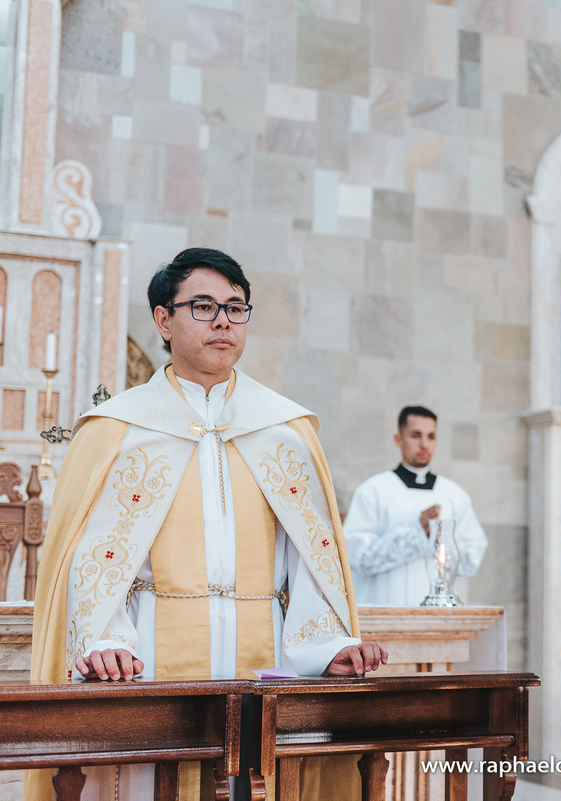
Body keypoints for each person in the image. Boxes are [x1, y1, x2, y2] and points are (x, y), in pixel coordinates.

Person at [26, 248, 387, 801]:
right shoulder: (117, 429)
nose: (223, 320)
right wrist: (105, 641)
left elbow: (310, 560)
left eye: (236, 308)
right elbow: (91, 558)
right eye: (203, 305)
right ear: (163, 320)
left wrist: (326, 645)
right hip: (150, 660)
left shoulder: (284, 430)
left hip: (263, 666)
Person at [343, 406, 488, 605]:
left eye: (431, 436)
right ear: (398, 439)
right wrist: (417, 531)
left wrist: (439, 537)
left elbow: (471, 563)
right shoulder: (372, 491)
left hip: (440, 620)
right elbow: (360, 560)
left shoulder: (454, 495)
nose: (424, 444)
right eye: (415, 435)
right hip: (385, 613)